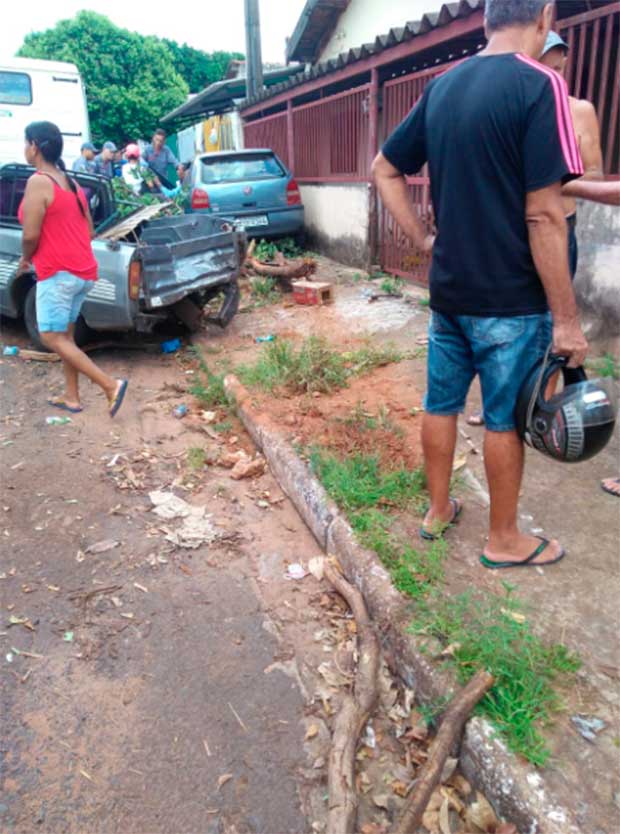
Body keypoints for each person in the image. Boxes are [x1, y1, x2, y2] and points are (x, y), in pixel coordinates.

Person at [372, 0, 587, 569]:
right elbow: (544, 213)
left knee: (440, 404)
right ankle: (504, 539)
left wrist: (423, 239)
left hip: (449, 293)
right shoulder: (541, 86)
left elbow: (384, 169)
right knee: (502, 419)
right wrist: (566, 320)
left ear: (487, 18)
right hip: (510, 300)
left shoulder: (443, 86)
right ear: (544, 16)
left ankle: (439, 510)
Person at [466, 29, 620, 427]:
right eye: (545, 60)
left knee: (554, 319)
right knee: (503, 320)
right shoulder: (518, 104)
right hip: (516, 230)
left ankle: (544, 406)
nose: (554, 68)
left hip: (560, 227)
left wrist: (559, 181)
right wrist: (547, 178)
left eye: (559, 62)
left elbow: (594, 171)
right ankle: (499, 402)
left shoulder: (580, 110)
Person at [17, 121, 128, 417]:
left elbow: (30, 235)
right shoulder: (72, 182)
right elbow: (88, 228)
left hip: (58, 272)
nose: (25, 149)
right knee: (66, 337)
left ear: (35, 147)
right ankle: (72, 396)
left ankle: (110, 385)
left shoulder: (38, 181)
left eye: (26, 142)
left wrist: (25, 258)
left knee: (51, 337)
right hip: (83, 271)